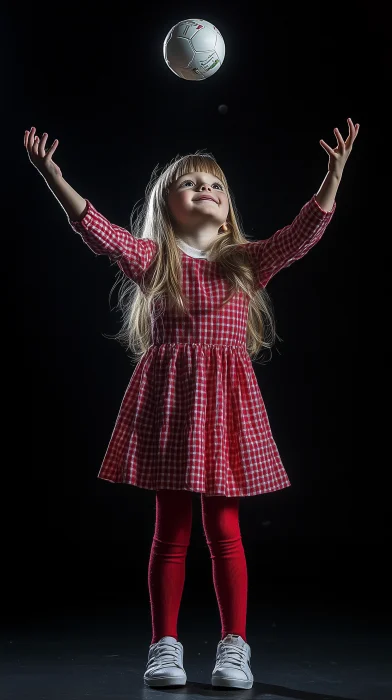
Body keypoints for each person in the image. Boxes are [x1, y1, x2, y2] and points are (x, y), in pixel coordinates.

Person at [24, 119, 359, 690]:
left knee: (224, 527)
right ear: (167, 205)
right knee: (170, 529)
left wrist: (333, 176)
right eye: (189, 183)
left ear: (227, 211)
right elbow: (100, 231)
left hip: (226, 408)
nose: (203, 186)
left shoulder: (247, 262)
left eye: (214, 183)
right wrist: (54, 177)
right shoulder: (156, 260)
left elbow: (301, 234)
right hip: (173, 406)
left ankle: (235, 646)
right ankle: (164, 645)